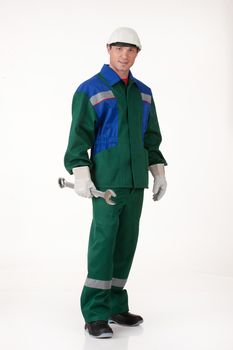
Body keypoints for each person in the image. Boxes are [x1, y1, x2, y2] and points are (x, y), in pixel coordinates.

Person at [64, 27, 167, 339]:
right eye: (120, 48)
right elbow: (78, 137)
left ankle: (114, 305)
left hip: (135, 184)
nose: (125, 54)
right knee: (103, 245)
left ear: (137, 54)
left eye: (131, 49)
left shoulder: (144, 92)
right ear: (108, 49)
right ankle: (94, 314)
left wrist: (158, 171)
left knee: (125, 245)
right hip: (106, 182)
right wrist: (81, 173)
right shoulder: (90, 89)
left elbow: (151, 137)